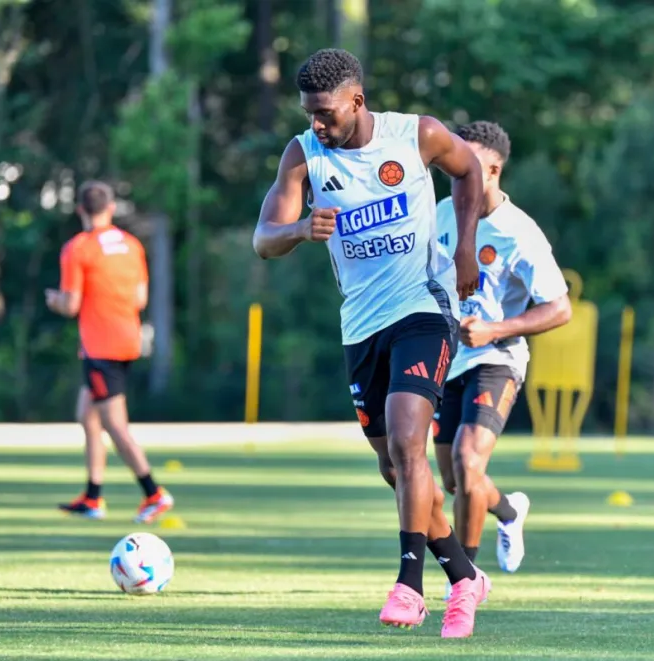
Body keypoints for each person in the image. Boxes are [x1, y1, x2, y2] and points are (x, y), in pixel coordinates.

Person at [252, 48, 490, 638]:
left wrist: (464, 245)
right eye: (310, 113)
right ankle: (464, 576)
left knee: (411, 442)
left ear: (357, 101)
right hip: (360, 327)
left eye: (327, 113)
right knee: (396, 467)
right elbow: (263, 238)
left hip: (422, 309)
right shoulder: (304, 154)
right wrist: (300, 230)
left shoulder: (417, 136)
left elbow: (470, 171)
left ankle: (409, 584)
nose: (317, 124)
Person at [432, 121, 572, 598]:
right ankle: (508, 511)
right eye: (451, 169)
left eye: (464, 168)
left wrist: (495, 328)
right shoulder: (440, 216)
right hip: (445, 361)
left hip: (496, 359)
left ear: (492, 170)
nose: (455, 177)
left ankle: (464, 585)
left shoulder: (520, 233)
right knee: (455, 482)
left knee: (469, 464)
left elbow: (560, 307)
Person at [48, 180, 174, 525]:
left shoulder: (78, 248)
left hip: (100, 346)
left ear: (80, 211)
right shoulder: (131, 245)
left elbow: (71, 304)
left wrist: (55, 301)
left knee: (114, 425)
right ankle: (92, 496)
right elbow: (140, 299)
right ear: (111, 208)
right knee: (86, 416)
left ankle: (154, 492)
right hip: (127, 340)